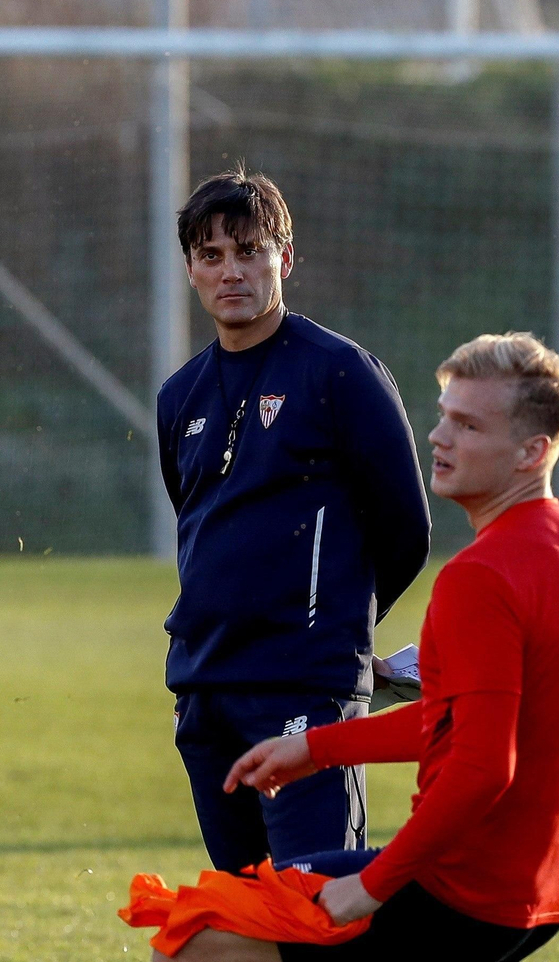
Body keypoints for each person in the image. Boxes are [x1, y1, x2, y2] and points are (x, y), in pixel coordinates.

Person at [173, 332, 559, 962]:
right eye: (443, 415)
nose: (438, 437)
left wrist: (371, 887)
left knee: (197, 938)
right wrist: (317, 747)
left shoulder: (480, 577)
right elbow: (463, 722)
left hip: (463, 891)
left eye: (467, 425)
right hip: (545, 886)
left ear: (531, 452)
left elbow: (484, 767)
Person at [155, 168, 431, 873]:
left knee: (317, 909)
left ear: (286, 257)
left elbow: (406, 527)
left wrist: (335, 630)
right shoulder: (178, 396)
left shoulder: (340, 372)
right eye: (212, 256)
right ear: (190, 267)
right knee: (243, 908)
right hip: (205, 689)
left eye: (250, 251)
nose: (232, 272)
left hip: (304, 688)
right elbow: (200, 531)